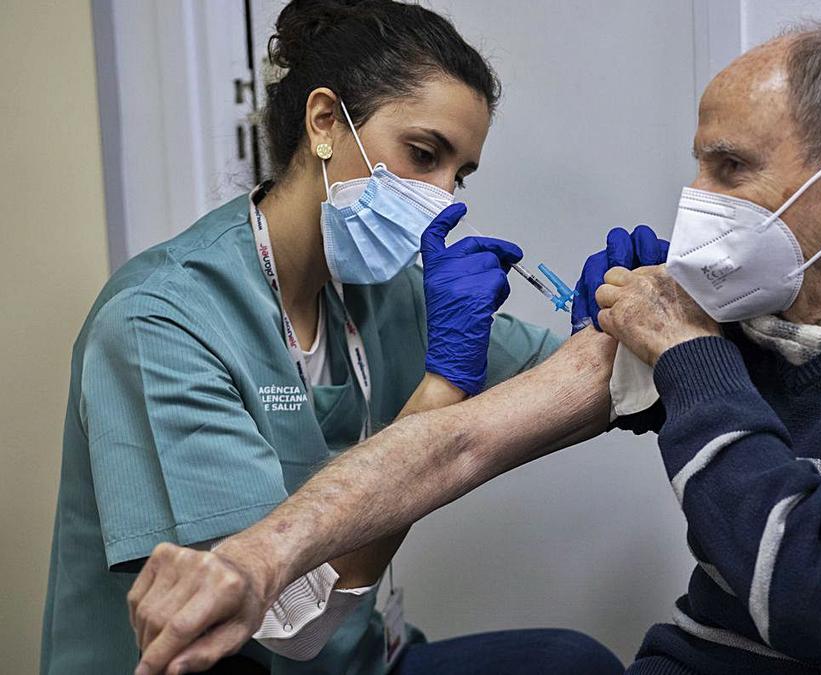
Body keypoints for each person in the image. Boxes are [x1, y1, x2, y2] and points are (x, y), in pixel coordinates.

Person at [126, 20, 821, 675]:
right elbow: (462, 442)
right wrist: (258, 558)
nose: (700, 201)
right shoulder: (736, 305)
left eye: (731, 167)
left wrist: (687, 351)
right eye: (700, 164)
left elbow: (817, 587)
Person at [40, 1, 622, 674]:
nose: (446, 198)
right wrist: (442, 387)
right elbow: (284, 621)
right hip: (243, 658)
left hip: (355, 660)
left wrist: (618, 322)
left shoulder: (385, 294)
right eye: (424, 154)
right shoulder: (161, 321)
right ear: (324, 122)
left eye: (458, 175)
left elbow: (572, 385)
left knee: (571, 662)